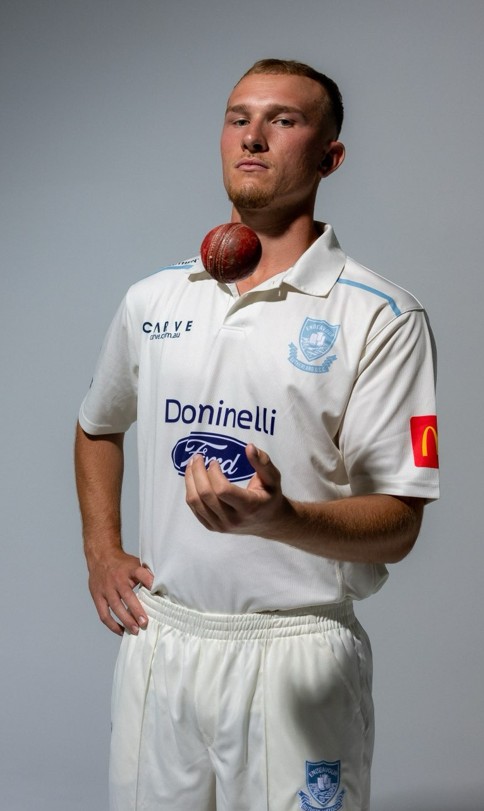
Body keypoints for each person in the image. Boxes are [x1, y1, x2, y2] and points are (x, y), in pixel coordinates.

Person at [75, 59, 439, 811]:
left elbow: (400, 523)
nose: (253, 136)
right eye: (239, 118)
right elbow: (97, 424)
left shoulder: (380, 316)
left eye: (283, 120)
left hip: (295, 653)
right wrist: (102, 551)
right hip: (163, 645)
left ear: (329, 157)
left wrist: (282, 518)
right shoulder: (154, 299)